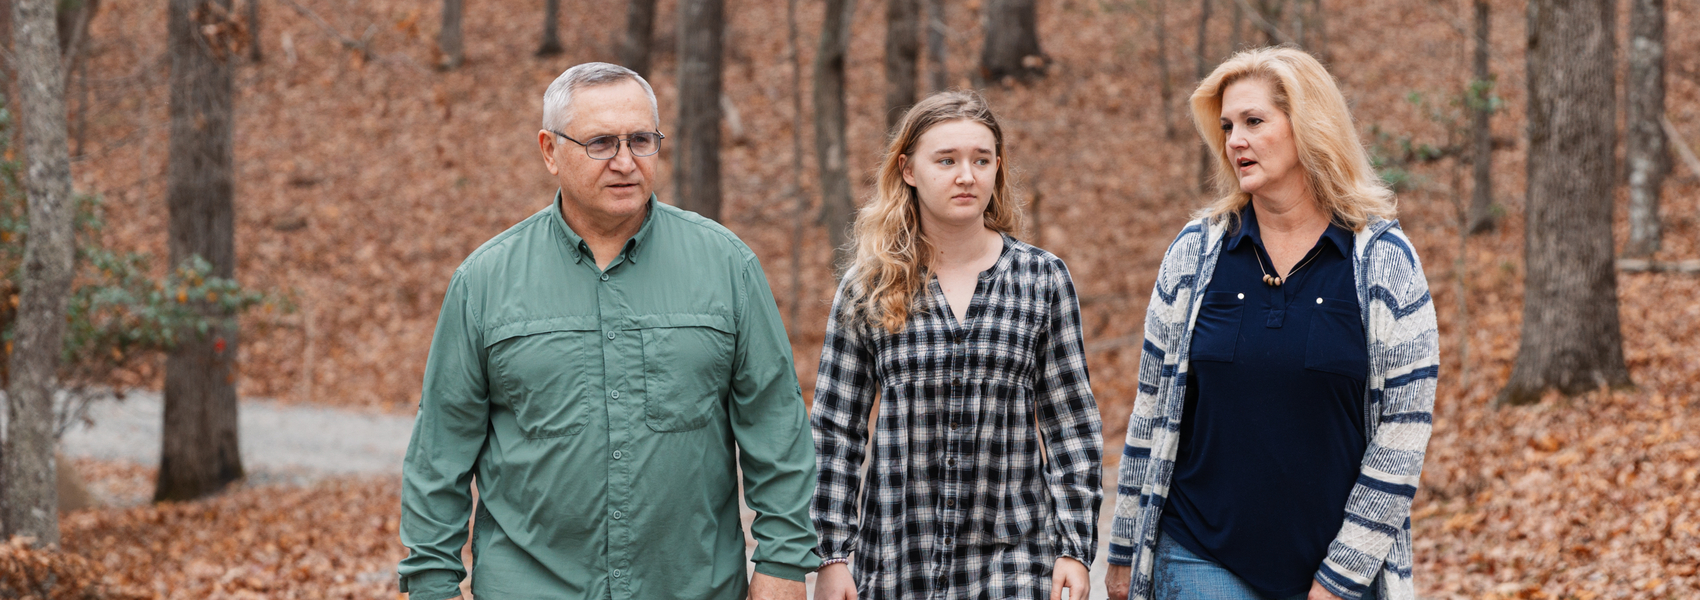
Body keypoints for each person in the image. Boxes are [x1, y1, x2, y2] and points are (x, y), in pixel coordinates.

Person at [397, 62, 819, 600]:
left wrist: (783, 563)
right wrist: (433, 584)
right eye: (600, 143)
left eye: (641, 140)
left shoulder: (727, 267)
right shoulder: (484, 281)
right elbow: (440, 452)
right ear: (550, 151)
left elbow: (776, 427)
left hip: (693, 587)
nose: (625, 162)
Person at [1104, 47, 1439, 600]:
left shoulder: (1384, 261)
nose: (1235, 140)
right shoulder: (1196, 253)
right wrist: (1122, 548)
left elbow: (1403, 433)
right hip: (1198, 551)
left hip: (1335, 568)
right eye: (1228, 126)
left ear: (1309, 125)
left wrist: (1341, 578)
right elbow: (1152, 404)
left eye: (1254, 121)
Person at [810, 90, 1103, 600]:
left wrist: (1074, 549)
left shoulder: (1042, 279)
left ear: (997, 169)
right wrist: (833, 555)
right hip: (899, 562)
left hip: (1015, 566)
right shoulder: (869, 286)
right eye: (946, 160)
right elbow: (836, 429)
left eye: (981, 160)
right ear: (908, 170)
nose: (966, 175)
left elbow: (1071, 426)